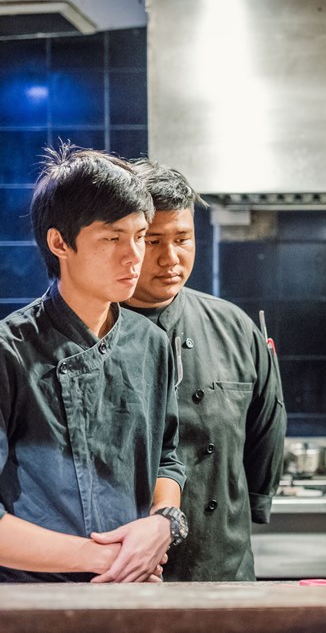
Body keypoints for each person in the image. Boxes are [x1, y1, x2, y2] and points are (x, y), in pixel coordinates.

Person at [0, 145, 187, 582]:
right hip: (33, 604)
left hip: (132, 597)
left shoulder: (151, 344)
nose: (134, 255)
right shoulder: (10, 351)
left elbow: (167, 460)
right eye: (111, 238)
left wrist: (163, 523)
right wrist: (108, 558)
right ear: (59, 243)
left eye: (139, 235)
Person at [123, 159, 287, 581]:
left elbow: (267, 428)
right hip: (127, 571)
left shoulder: (233, 325)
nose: (170, 258)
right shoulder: (97, 328)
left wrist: (247, 506)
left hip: (223, 565)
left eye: (183, 238)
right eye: (153, 241)